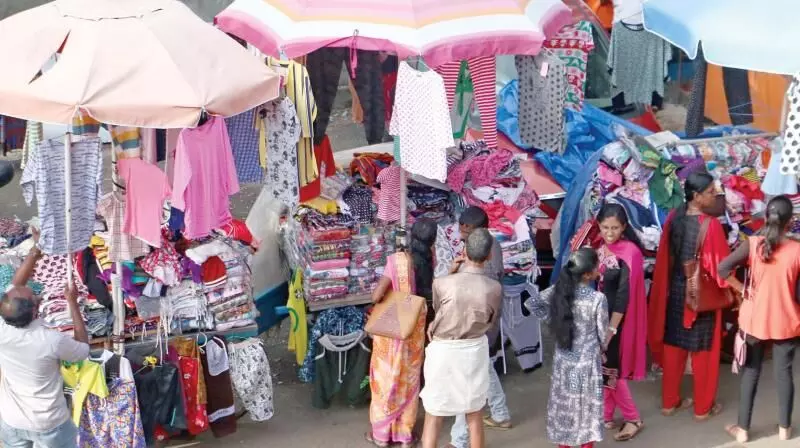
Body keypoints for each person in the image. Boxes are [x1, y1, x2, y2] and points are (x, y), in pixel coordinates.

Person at [648, 171, 731, 421]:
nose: (714, 195)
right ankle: (702, 408)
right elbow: (720, 270)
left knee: (674, 347)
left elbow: (666, 256)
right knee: (703, 352)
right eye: (710, 192)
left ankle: (669, 402)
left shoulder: (675, 217)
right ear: (696, 196)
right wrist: (737, 290)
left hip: (675, 292)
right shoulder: (711, 226)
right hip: (700, 297)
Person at [718, 196, 800, 443]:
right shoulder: (797, 249)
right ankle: (785, 429)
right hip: (787, 320)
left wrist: (742, 290)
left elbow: (722, 268)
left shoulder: (753, 244)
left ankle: (742, 430)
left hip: (754, 320)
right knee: (784, 374)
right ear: (791, 221)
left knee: (750, 373)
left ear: (765, 217)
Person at [0, 229, 90, 448]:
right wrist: (73, 303)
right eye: (35, 295)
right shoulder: (50, 340)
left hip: (12, 420)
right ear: (35, 311)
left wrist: (36, 250)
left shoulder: (3, 327)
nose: (35, 292)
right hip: (49, 423)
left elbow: (16, 286)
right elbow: (83, 349)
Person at [420, 228, 502, 448]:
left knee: (434, 414)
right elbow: (492, 322)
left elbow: (439, 311)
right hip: (474, 350)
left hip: (443, 350)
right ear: (489, 256)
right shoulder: (494, 288)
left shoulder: (442, 283)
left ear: (464, 251)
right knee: (474, 414)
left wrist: (451, 272)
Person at [367, 219, 437, 448]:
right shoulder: (431, 259)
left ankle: (381, 435)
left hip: (393, 327)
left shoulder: (398, 262)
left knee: (387, 379)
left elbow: (377, 296)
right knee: (409, 380)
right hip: (416, 327)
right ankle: (405, 436)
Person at [527, 247, 607, 448]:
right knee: (586, 410)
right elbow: (603, 334)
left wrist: (553, 321)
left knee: (566, 407)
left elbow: (531, 304)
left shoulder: (557, 291)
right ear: (588, 274)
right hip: (588, 364)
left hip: (564, 361)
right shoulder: (597, 299)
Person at [446, 206, 511, 448]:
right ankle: (501, 413)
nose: (462, 231)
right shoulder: (478, 245)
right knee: (483, 366)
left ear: (480, 230)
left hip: (479, 323)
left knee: (468, 380)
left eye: (468, 228)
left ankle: (458, 440)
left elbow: (485, 288)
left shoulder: (486, 252)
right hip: (478, 323)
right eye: (461, 226)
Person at [594, 204, 647, 441]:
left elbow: (624, 296)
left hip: (618, 322)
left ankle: (633, 418)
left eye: (615, 228)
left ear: (624, 227)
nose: (610, 232)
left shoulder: (630, 253)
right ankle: (606, 414)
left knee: (613, 371)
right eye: (605, 227)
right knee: (604, 369)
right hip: (602, 317)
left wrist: (611, 329)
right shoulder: (601, 248)